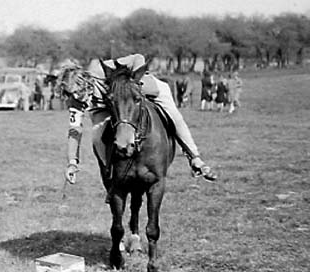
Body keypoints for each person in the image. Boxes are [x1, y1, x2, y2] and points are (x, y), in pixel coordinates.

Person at [64, 54, 218, 193]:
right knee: (97, 137)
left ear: (85, 81)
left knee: (175, 118)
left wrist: (135, 80)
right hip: (108, 107)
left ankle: (195, 159)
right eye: (72, 94)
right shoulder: (76, 101)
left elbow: (138, 57)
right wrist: (72, 162)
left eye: (78, 90)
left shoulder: (102, 70)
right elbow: (74, 131)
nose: (77, 96)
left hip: (148, 90)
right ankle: (111, 178)